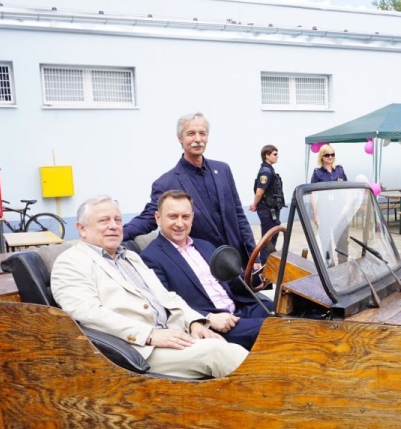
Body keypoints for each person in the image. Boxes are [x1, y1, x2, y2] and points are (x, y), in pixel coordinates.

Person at [52, 195, 248, 379]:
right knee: (219, 353)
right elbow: (89, 313)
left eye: (117, 220)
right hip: (135, 351)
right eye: (104, 221)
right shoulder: (71, 262)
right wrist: (149, 334)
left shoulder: (129, 257)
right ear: (82, 229)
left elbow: (166, 297)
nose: (113, 226)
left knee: (231, 348)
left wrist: (194, 322)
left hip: (171, 334)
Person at [142, 191, 272, 350]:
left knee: (294, 311)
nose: (180, 223)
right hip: (213, 325)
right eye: (173, 216)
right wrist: (208, 318)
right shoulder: (150, 258)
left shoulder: (205, 246)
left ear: (192, 218)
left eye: (185, 217)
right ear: (158, 218)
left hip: (242, 308)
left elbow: (234, 282)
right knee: (278, 328)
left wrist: (263, 275)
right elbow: (165, 304)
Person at [122, 112, 257, 264]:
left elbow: (239, 215)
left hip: (238, 260)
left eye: (202, 133)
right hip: (204, 264)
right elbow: (148, 218)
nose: (198, 139)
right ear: (180, 138)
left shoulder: (223, 170)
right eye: (191, 134)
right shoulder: (166, 183)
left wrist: (254, 255)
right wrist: (117, 233)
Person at [310, 144, 348, 264]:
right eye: (327, 155)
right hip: (324, 210)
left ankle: (343, 264)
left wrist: (346, 207)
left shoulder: (339, 170)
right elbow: (312, 194)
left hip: (339, 209)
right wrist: (315, 215)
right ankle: (329, 265)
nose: (330, 157)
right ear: (322, 156)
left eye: (332, 154)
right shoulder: (318, 173)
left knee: (342, 239)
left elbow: (347, 189)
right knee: (325, 239)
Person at [248, 144, 285, 264]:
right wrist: (254, 205)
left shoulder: (269, 170)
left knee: (272, 236)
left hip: (271, 209)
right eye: (275, 154)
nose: (277, 156)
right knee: (267, 238)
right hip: (267, 209)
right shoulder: (265, 171)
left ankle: (269, 262)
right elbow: (259, 192)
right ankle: (265, 265)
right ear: (266, 156)